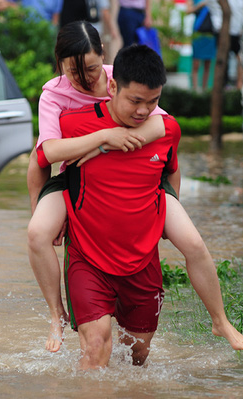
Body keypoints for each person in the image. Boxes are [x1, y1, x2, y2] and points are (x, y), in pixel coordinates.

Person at [27, 21, 243, 354]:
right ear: (59, 64)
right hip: (72, 169)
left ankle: (220, 320)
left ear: (103, 60)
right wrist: (103, 138)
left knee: (193, 242)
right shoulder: (54, 94)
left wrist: (108, 146)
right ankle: (55, 313)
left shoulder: (124, 78)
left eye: (90, 68)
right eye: (73, 71)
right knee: (37, 231)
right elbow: (44, 155)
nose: (85, 78)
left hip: (137, 173)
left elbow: (162, 126)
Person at [61, 44, 177, 368]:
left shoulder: (165, 131)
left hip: (141, 262)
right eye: (135, 101)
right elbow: (43, 157)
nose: (143, 111)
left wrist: (169, 218)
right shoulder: (72, 124)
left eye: (152, 102)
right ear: (112, 86)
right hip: (87, 257)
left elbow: (172, 172)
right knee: (96, 346)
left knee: (136, 355)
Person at [186, 0, 216, 92]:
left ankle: (205, 89)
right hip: (198, 33)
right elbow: (188, 10)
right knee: (196, 63)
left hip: (210, 33)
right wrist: (201, 5)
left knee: (208, 64)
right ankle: (195, 90)